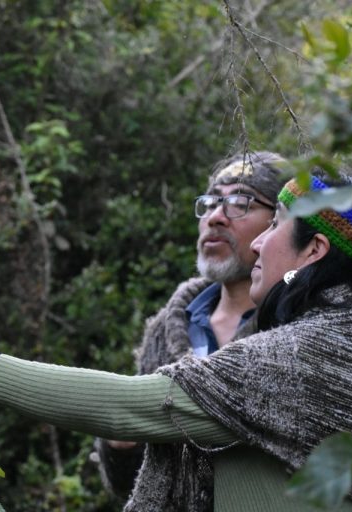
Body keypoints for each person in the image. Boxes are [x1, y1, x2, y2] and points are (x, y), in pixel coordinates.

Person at [0, 172, 352, 511]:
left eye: (270, 227)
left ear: (314, 251)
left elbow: (138, 405)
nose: (258, 246)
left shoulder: (310, 352)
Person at [95, 151, 289, 499]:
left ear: (280, 223)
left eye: (239, 203)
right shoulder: (168, 328)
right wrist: (120, 444)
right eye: (211, 202)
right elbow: (129, 485)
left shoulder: (299, 326)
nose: (216, 217)